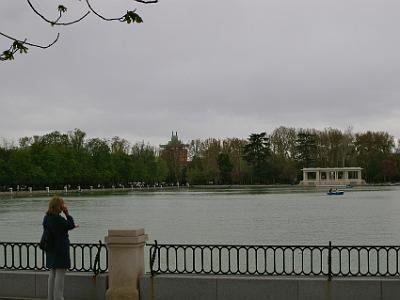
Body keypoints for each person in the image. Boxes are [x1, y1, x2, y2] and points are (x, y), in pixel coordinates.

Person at [42, 196, 78, 300]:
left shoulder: (47, 217)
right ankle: (58, 297)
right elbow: (70, 225)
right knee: (60, 274)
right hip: (60, 248)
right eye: (62, 204)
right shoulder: (57, 218)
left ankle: (51, 298)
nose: (63, 206)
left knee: (52, 273)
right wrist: (67, 213)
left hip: (50, 248)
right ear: (58, 206)